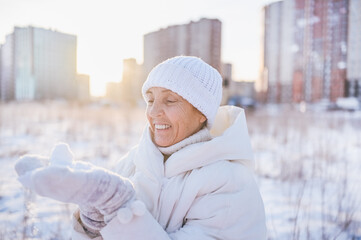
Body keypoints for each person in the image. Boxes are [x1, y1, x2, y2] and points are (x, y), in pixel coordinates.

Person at [15, 56, 267, 239]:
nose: (154, 112)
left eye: (169, 100)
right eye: (150, 100)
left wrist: (119, 209)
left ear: (202, 113)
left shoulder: (231, 183)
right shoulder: (133, 161)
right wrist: (92, 225)